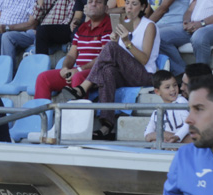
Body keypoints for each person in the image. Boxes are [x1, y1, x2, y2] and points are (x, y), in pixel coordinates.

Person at [66, 0, 161, 140]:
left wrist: (126, 42)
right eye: (127, 3)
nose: (129, 7)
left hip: (144, 74)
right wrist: (115, 40)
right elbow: (116, 56)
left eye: (134, 4)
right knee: (107, 71)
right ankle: (107, 125)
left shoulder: (149, 26)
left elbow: (144, 59)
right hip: (126, 72)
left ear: (143, 7)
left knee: (110, 48)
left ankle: (84, 86)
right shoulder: (122, 24)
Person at [33, 0, 112, 100]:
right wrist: (65, 68)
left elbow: (103, 57)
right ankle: (41, 115)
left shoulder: (109, 26)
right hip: (79, 71)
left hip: (98, 72)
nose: (93, 4)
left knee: (77, 76)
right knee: (43, 78)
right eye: (90, 1)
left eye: (98, 2)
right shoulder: (82, 27)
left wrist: (79, 69)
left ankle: (79, 115)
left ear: (106, 8)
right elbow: (71, 55)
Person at [157, 0, 213, 76]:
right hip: (195, 26)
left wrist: (202, 23)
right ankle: (183, 74)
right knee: (159, 36)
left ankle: (201, 78)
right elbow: (190, 9)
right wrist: (186, 22)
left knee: (199, 36)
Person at [144, 69, 191, 143]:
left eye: (175, 85)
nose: (173, 89)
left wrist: (177, 136)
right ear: (157, 91)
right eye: (167, 87)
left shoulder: (181, 101)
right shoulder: (157, 112)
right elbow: (147, 134)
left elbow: (189, 123)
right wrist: (159, 138)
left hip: (183, 146)